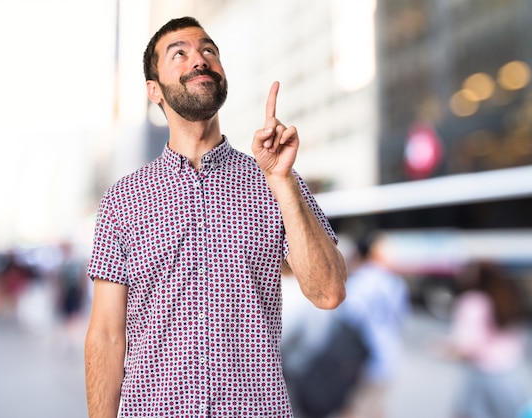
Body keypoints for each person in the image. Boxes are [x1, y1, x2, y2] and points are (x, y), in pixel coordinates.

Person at [84, 16, 347, 418]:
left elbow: (328, 292)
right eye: (180, 53)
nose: (200, 59)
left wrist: (282, 180)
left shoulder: (274, 181)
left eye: (209, 51)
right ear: (154, 90)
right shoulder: (123, 200)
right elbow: (104, 334)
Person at [439, 261, 532, 418]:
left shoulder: (472, 301)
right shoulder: (506, 297)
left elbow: (467, 346)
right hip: (512, 373)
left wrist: (443, 348)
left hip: (484, 375)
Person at [336, 232, 410, 418]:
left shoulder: (360, 281)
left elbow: (349, 319)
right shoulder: (395, 282)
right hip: (389, 356)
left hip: (363, 360)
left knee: (354, 410)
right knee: (375, 408)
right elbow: (402, 318)